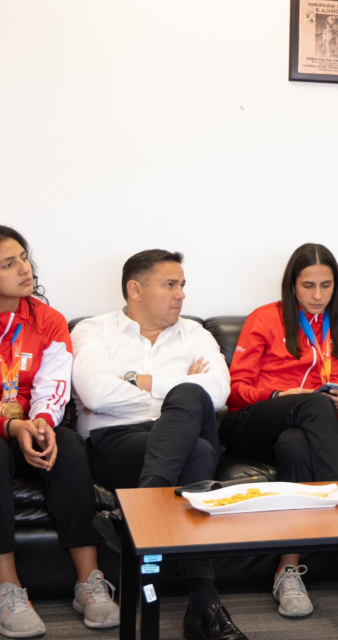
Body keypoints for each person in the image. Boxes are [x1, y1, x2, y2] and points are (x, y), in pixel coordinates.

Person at [0, 225, 119, 638]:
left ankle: (90, 583)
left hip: (26, 422)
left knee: (69, 446)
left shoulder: (47, 320)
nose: (25, 269)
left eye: (24, 258)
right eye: (8, 264)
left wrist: (41, 422)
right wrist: (9, 425)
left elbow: (53, 388)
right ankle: (6, 590)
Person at [71, 250, 246, 640]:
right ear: (135, 289)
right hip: (116, 440)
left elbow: (218, 392)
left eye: (182, 285)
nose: (181, 294)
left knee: (191, 398)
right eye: (170, 285)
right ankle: (204, 606)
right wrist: (178, 391)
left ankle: (142, 511)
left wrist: (135, 381)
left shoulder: (194, 333)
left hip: (179, 435)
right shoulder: (92, 330)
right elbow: (96, 393)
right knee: (197, 446)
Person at [224, 242, 338, 619]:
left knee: (296, 444)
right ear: (292, 285)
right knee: (314, 403)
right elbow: (234, 390)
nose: (318, 295)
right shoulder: (264, 319)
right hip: (252, 423)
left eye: (326, 285)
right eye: (308, 286)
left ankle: (287, 572)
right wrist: (279, 396)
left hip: (304, 432)